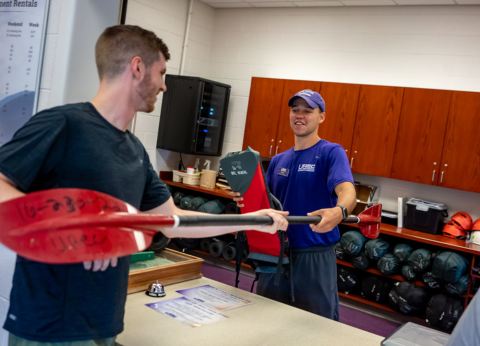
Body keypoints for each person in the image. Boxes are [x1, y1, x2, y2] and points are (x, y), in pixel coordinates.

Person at [0, 25, 288, 346]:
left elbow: (175, 221)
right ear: (138, 68)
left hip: (102, 324)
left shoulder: (134, 150)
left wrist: (253, 221)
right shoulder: (63, 124)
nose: (164, 86)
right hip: (49, 327)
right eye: (161, 73)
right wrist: (80, 227)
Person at [233, 89, 356, 320]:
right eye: (295, 110)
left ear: (321, 117)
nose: (300, 115)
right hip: (276, 254)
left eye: (308, 111)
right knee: (266, 320)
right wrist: (244, 200)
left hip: (314, 256)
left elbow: (348, 191)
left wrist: (340, 210)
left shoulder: (331, 152)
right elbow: (263, 202)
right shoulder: (279, 159)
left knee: (316, 325)